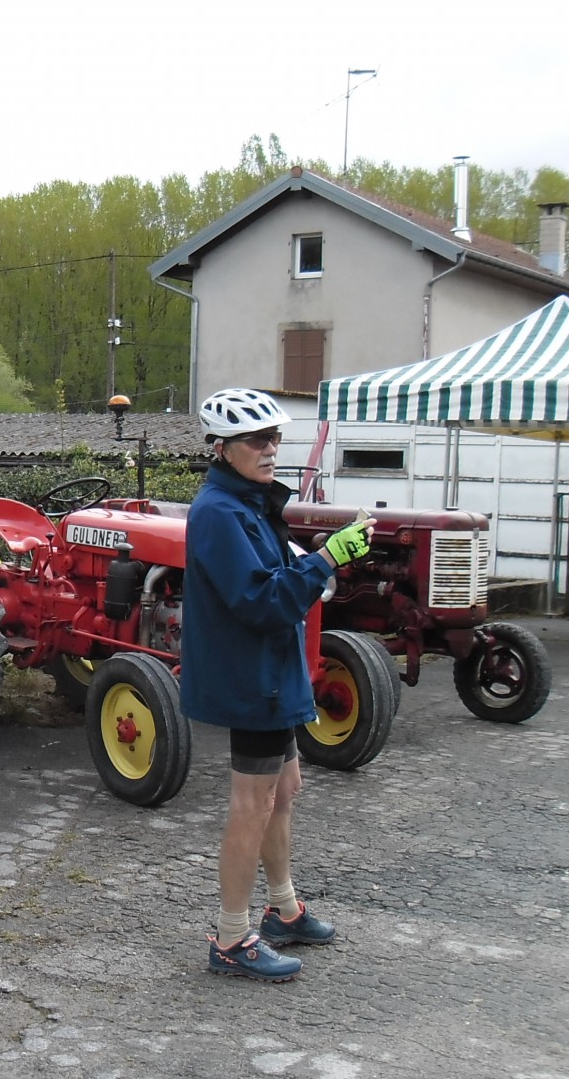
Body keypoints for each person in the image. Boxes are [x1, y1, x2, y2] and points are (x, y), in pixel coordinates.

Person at [180, 387, 375, 982]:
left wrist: (317, 557)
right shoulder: (218, 512)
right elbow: (260, 601)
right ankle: (233, 936)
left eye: (274, 440)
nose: (270, 450)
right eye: (256, 441)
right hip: (252, 677)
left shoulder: (252, 504)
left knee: (285, 788)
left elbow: (275, 575)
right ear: (222, 448)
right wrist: (326, 562)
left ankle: (284, 908)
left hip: (272, 671)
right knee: (254, 802)